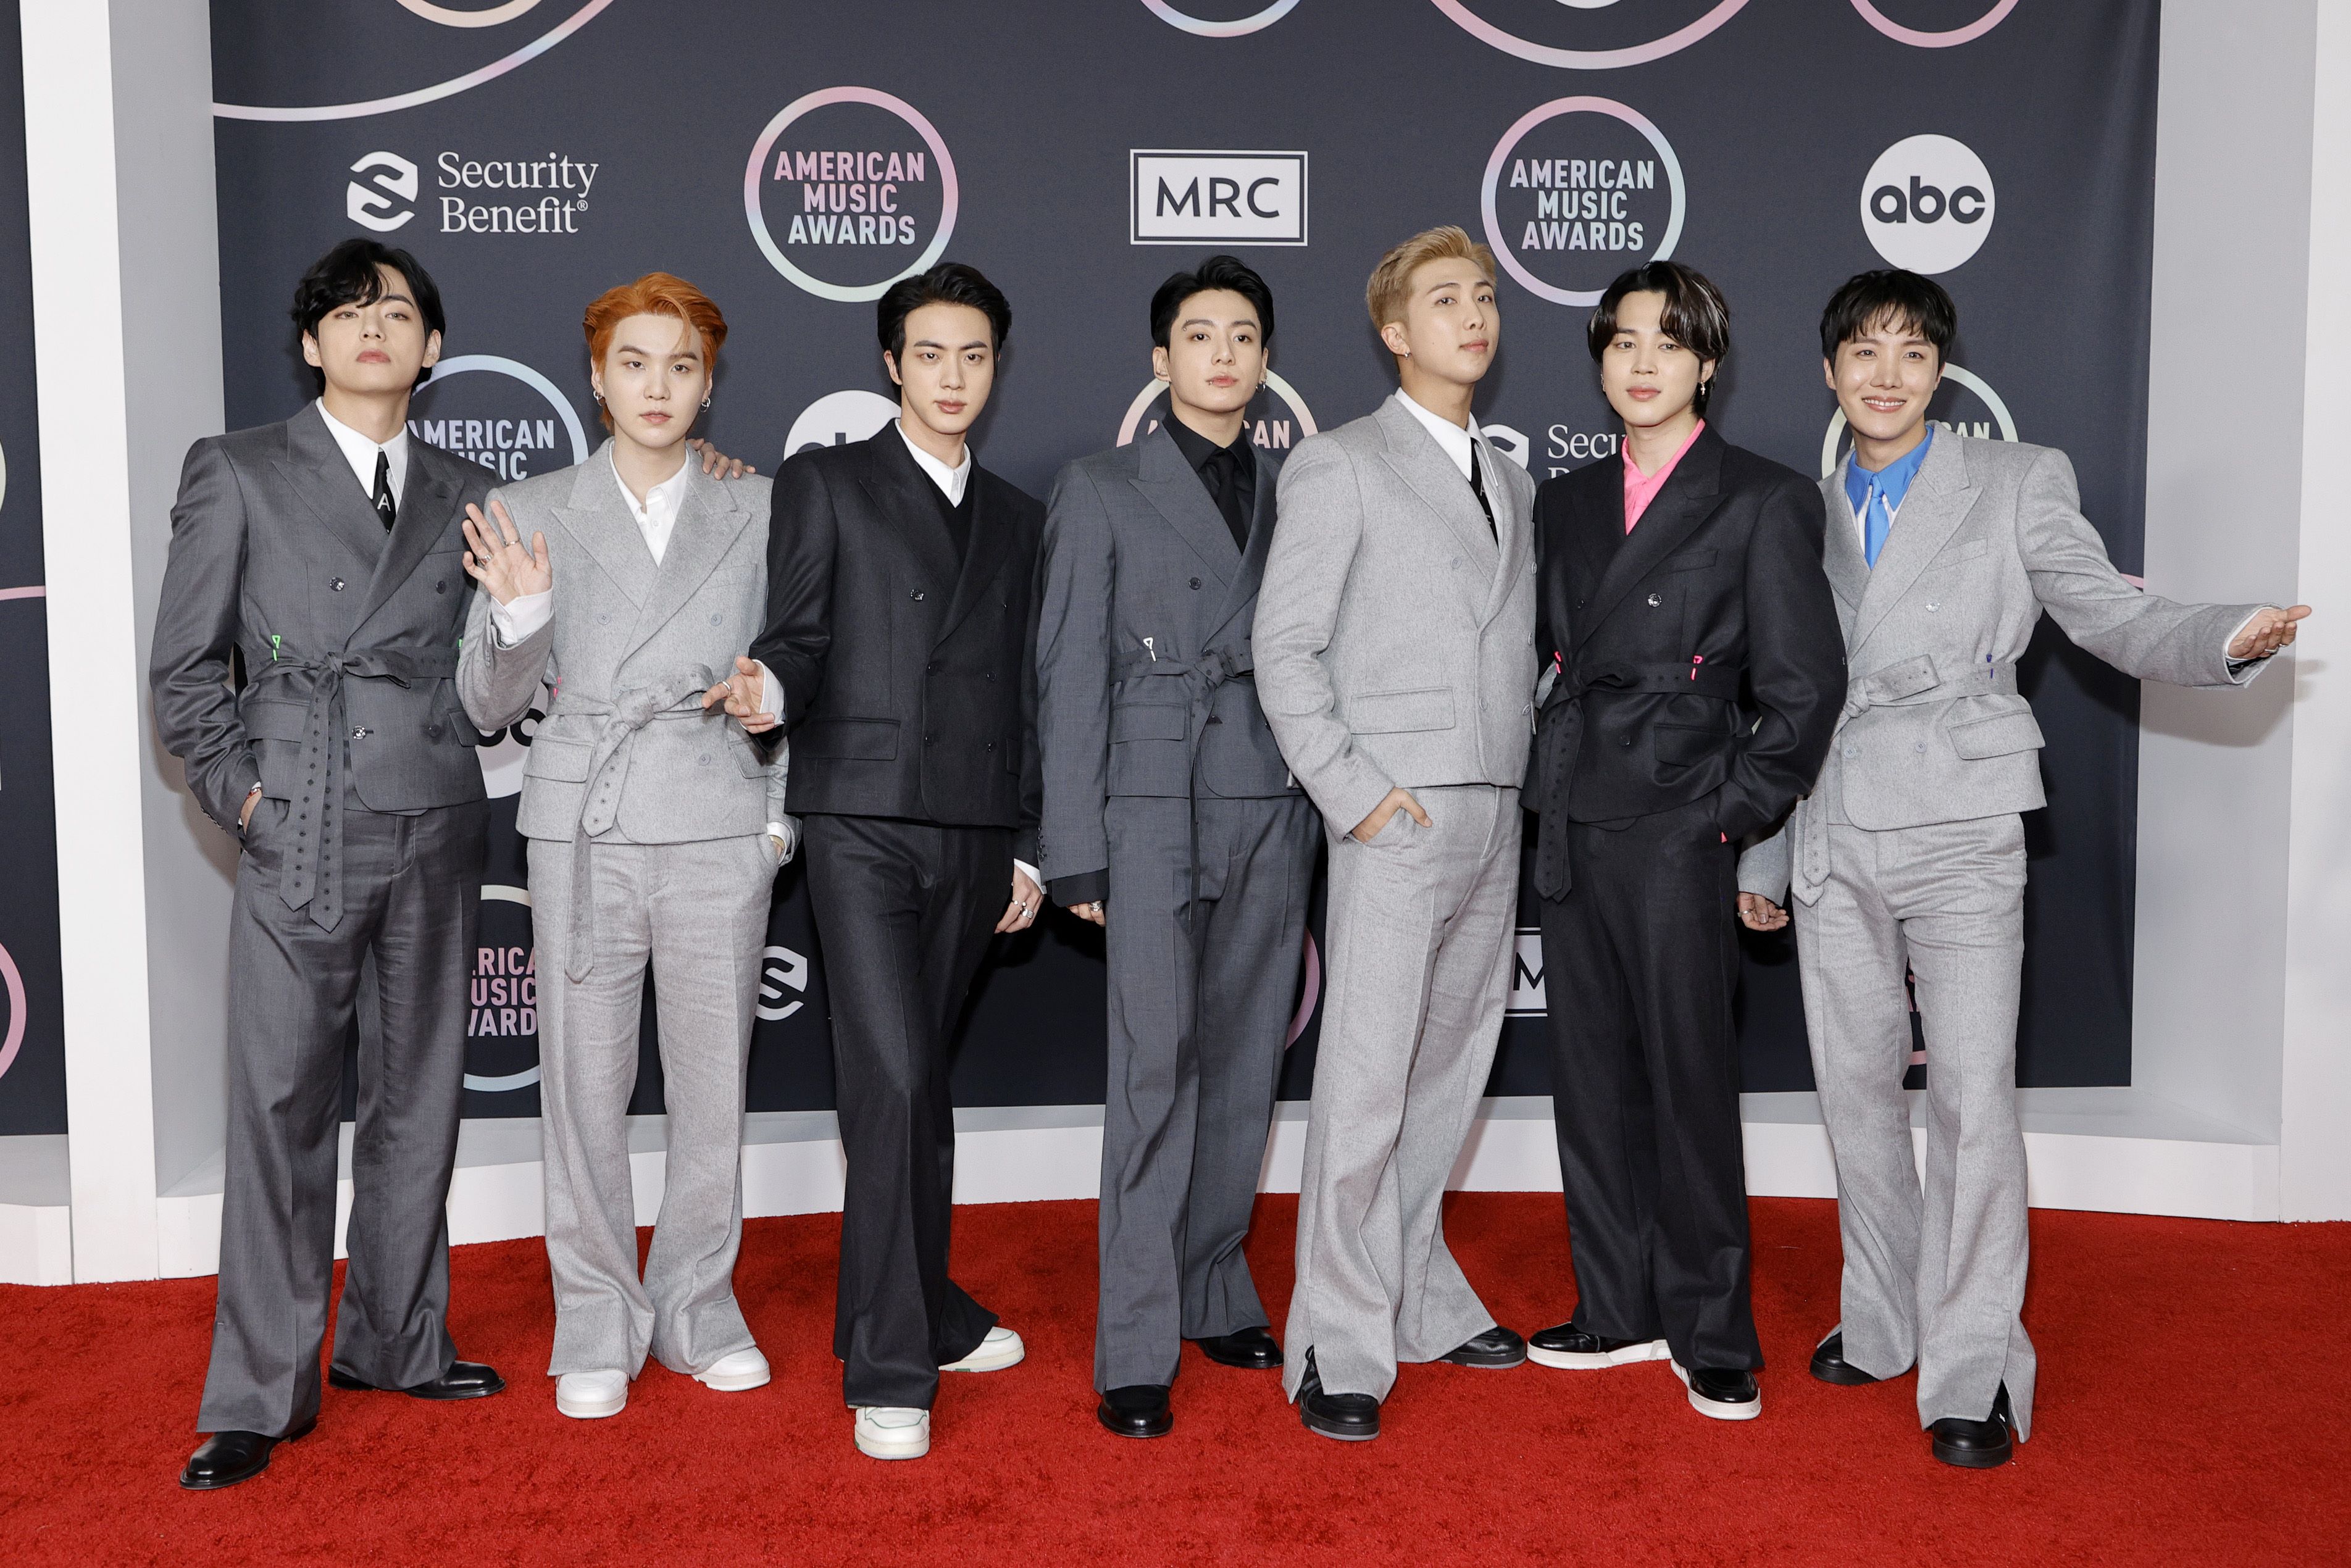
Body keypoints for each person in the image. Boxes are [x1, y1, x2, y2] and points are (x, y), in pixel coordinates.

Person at [1738, 269, 2310, 1467]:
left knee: (1968, 1100)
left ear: (1939, 371)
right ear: (1828, 371)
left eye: (1909, 352)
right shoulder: (1793, 506)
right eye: (1862, 352)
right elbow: (1781, 696)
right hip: (1836, 819)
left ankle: (1974, 1365)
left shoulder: (2013, 478)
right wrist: (1773, 842)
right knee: (1851, 1098)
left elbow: (2103, 612)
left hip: (1959, 816)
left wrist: (2216, 636)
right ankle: (1881, 1322)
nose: (1884, 374)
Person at [152, 238, 506, 1489]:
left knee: (419, 1097)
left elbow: (494, 685)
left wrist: (522, 628)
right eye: (348, 311)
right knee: (282, 1105)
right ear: (311, 344)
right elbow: (187, 674)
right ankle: (258, 1387)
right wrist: (247, 794)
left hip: (434, 815)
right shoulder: (239, 468)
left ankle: (397, 1340)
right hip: (298, 819)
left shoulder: (470, 490)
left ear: (431, 348)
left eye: (398, 311)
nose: (372, 327)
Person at [714, 263, 1044, 1461]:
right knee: (896, 1080)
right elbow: (796, 631)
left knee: (916, 1087)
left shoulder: (1018, 517)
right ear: (890, 364)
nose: (952, 376)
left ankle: (921, 1308)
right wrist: (766, 689)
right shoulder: (827, 480)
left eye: (974, 356)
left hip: (973, 830)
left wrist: (1031, 841)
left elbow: (1028, 688)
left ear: (993, 369)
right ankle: (892, 1365)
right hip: (857, 820)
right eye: (930, 354)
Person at [453, 273, 788, 1422]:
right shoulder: (530, 506)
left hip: (716, 824)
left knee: (713, 1089)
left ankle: (700, 1305)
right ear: (595, 378)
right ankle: (595, 1316)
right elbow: (486, 706)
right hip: (583, 828)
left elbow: (801, 676)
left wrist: (775, 816)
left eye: (683, 365)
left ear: (709, 384)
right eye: (636, 363)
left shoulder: (759, 508)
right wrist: (519, 620)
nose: (659, 386)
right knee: (584, 1092)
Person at [1523, 262, 1845, 1422]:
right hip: (1570, 815)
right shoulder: (1557, 500)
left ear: (1709, 362)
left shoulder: (1760, 497)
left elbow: (1806, 690)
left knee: (1691, 1082)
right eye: (1621, 343)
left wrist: (1727, 813)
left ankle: (1714, 1329)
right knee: (1591, 1076)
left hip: (1680, 822)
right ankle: (1615, 1308)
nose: (1642, 362)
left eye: (1668, 342)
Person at [1251, 225, 1539, 1442]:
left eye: (1480, 297)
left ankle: (1416, 1289)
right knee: (1366, 1083)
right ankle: (1335, 1339)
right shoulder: (1338, 464)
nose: (1470, 317)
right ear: (1391, 328)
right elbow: (1282, 647)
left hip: (1493, 808)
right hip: (1393, 812)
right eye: (1441, 299)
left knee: (1447, 1071)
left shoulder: (1511, 477)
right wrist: (1352, 790)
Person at [1034, 256, 1321, 1440]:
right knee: (1155, 1070)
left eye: (1242, 335)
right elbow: (1066, 679)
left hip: (1271, 796)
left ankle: (1214, 1288)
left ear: (1263, 359)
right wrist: (1074, 855)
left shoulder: (1306, 485)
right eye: (1197, 335)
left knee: (1246, 1059)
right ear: (1161, 361)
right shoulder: (1101, 485)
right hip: (1147, 806)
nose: (1221, 353)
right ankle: (1137, 1340)